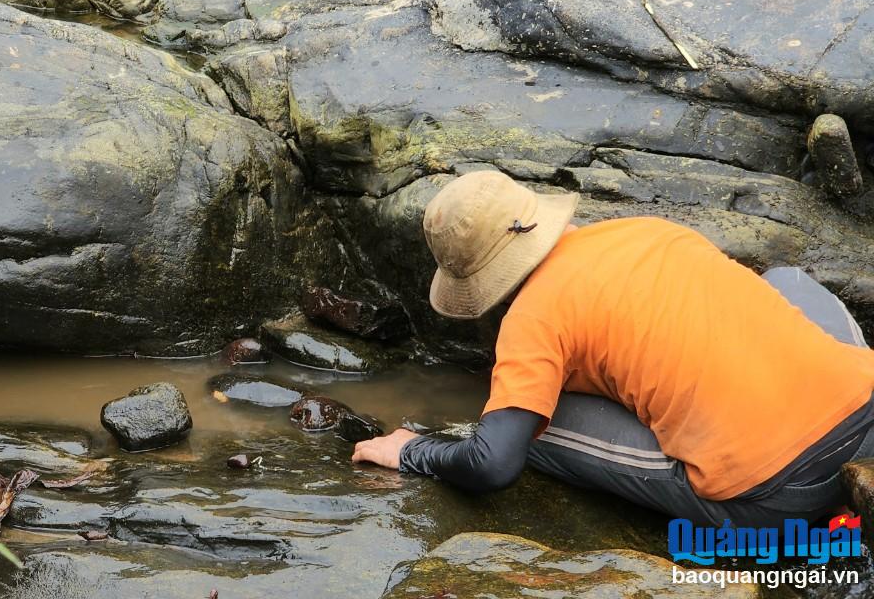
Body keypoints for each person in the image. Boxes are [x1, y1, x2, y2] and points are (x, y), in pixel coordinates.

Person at [352, 170, 874, 527]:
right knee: (786, 279)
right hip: (866, 415)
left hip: (782, 496)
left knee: (534, 430)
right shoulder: (646, 231)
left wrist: (414, 451)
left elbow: (492, 464)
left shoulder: (532, 318)